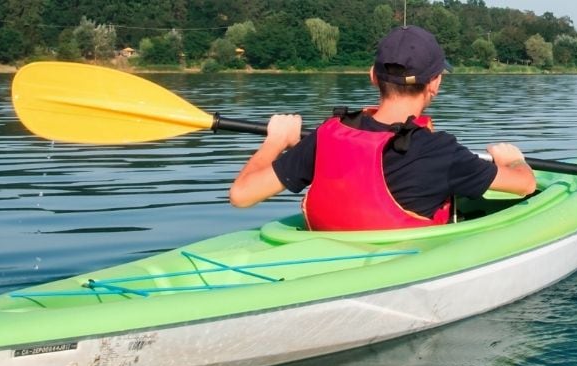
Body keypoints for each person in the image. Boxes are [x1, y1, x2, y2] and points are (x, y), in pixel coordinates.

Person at [228, 25, 537, 231]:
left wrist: (276, 141)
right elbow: (525, 185)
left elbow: (241, 196)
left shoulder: (328, 135)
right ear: (435, 83)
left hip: (329, 259)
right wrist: (511, 158)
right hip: (398, 269)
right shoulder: (442, 152)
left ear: (372, 76)